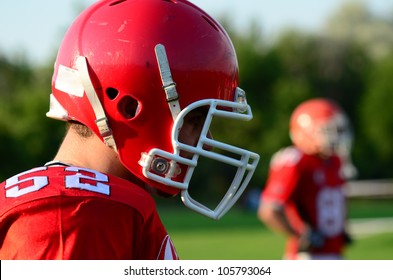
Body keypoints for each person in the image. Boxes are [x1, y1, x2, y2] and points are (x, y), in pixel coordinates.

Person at [0, 0, 259, 260]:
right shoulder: (75, 211)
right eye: (195, 119)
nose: (209, 141)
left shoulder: (111, 205)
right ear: (129, 107)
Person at [258, 98, 355, 260]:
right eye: (327, 131)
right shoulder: (295, 161)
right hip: (307, 257)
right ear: (306, 132)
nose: (335, 137)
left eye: (338, 130)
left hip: (336, 252)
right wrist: (300, 235)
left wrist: (342, 228)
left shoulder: (335, 161)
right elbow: (269, 211)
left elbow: (340, 198)